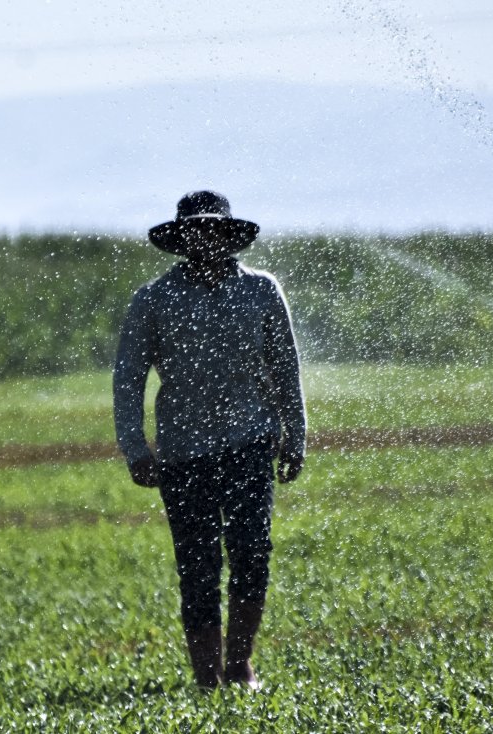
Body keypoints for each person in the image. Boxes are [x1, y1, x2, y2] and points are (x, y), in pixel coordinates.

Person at [113, 190, 306, 690]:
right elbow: (128, 379)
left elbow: (286, 368)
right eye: (194, 231)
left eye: (212, 229)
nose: (204, 238)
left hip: (249, 443)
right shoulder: (154, 299)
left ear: (227, 234)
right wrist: (135, 447)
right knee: (197, 567)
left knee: (252, 552)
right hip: (181, 452)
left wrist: (295, 434)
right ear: (181, 239)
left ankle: (240, 665)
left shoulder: (262, 291)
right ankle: (206, 677)